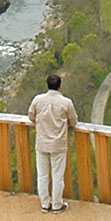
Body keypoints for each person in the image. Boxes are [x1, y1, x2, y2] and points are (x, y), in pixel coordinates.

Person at [28, 74, 78, 213]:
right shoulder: (66, 103)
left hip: (42, 142)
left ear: (47, 85)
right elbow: (74, 122)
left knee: (42, 175)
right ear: (60, 86)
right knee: (57, 176)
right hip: (58, 144)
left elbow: (31, 116)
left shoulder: (38, 100)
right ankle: (57, 204)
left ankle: (45, 203)